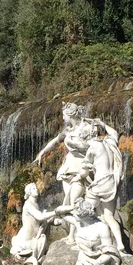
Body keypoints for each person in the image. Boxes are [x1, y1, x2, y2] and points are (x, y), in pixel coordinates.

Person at [34, 103, 90, 244]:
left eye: (64, 115)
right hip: (69, 166)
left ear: (71, 115)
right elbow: (55, 140)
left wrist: (76, 145)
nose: (63, 118)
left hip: (81, 166)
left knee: (74, 201)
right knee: (69, 200)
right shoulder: (68, 130)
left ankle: (74, 235)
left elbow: (92, 145)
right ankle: (73, 233)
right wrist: (42, 152)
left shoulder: (86, 128)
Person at [78, 119, 131, 257]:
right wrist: (102, 123)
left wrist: (77, 176)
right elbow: (114, 133)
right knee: (109, 216)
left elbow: (84, 172)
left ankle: (85, 240)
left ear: (84, 137)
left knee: (82, 211)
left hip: (100, 184)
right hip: (112, 183)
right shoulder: (109, 142)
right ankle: (120, 245)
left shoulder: (92, 148)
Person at [10, 183, 59, 265]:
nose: (36, 189)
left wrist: (60, 219)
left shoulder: (37, 204)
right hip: (26, 240)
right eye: (33, 189)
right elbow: (40, 216)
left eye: (36, 188)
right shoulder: (28, 204)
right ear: (28, 192)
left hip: (35, 237)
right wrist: (55, 212)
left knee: (47, 224)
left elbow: (46, 218)